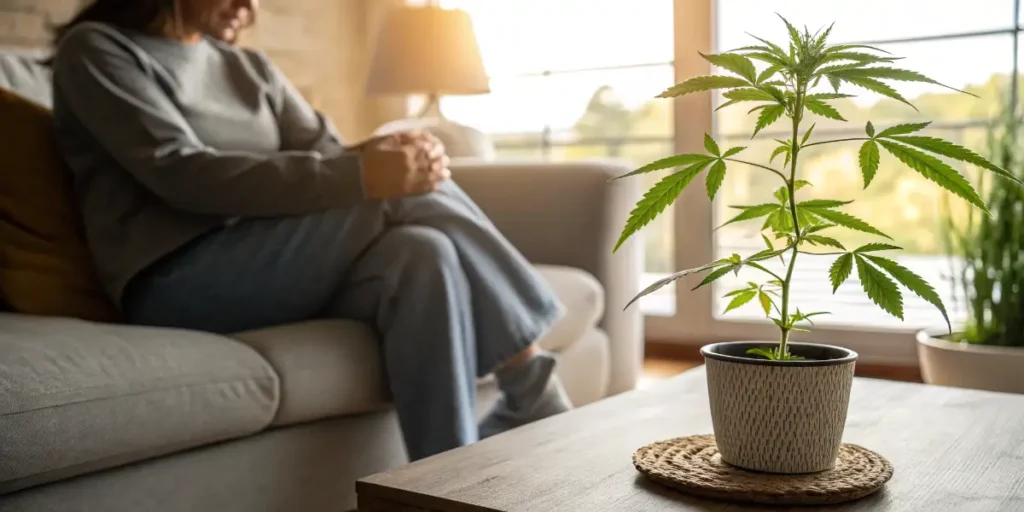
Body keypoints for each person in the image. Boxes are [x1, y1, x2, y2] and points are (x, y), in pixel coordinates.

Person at [48, 0, 572, 461]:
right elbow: (181, 174)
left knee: (422, 252)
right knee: (403, 195)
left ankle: (448, 481)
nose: (248, 6)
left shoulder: (246, 67)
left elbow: (328, 152)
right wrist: (370, 175)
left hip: (278, 263)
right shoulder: (97, 51)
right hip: (174, 280)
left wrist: (395, 154)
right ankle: (532, 384)